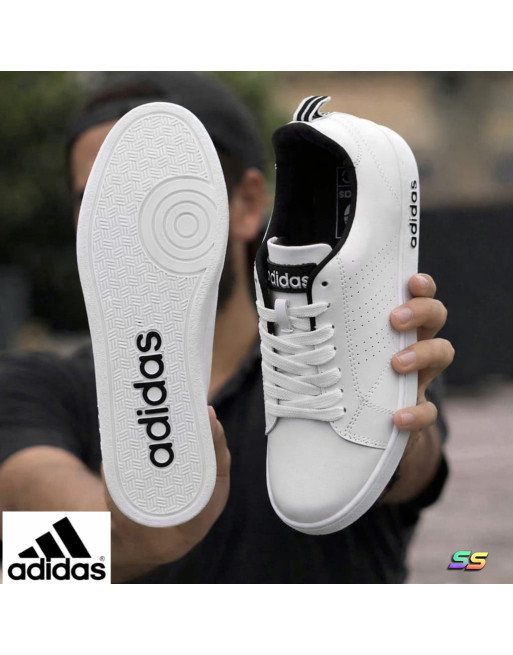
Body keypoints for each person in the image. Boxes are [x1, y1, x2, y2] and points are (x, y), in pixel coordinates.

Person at [0, 72, 454, 583]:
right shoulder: (36, 389)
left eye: (157, 194)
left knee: (382, 419)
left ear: (247, 203)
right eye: (102, 201)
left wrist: (397, 433)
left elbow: (416, 474)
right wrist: (128, 539)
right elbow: (26, 543)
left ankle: (364, 441)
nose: (129, 225)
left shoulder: (351, 353)